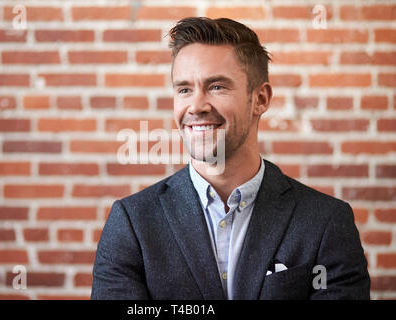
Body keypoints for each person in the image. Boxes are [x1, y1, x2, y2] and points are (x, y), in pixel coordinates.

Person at [91, 17, 370, 300]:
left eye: (217, 86)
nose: (196, 106)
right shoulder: (133, 223)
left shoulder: (326, 222)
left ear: (260, 99)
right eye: (184, 89)